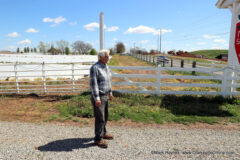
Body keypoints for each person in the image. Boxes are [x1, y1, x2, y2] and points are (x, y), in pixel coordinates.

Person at [90, 49, 114, 148]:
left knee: (105, 116)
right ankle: (98, 139)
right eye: (107, 56)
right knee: (100, 118)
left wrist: (111, 92)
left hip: (105, 95)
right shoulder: (95, 68)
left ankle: (103, 133)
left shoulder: (106, 67)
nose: (108, 58)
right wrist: (97, 98)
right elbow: (93, 84)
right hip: (99, 97)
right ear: (101, 57)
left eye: (108, 56)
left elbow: (108, 81)